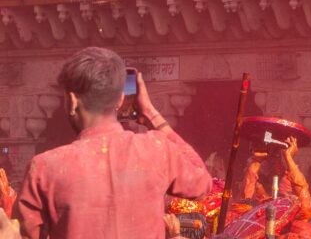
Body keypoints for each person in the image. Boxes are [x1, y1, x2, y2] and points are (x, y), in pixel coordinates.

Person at [15, 46, 212, 239]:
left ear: (72, 100)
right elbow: (202, 183)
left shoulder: (44, 168)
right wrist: (151, 114)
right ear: (120, 100)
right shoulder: (158, 150)